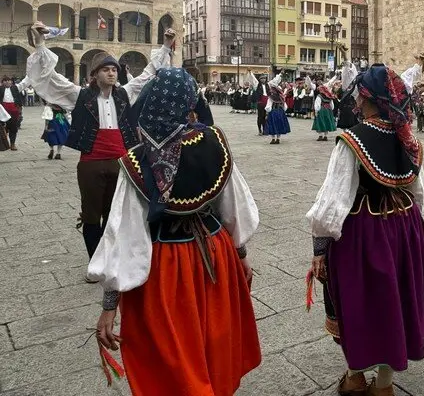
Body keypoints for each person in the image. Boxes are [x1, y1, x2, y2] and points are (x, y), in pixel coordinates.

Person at [89, 67, 261, 396]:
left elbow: (124, 235)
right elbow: (234, 209)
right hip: (215, 253)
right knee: (213, 337)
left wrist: (109, 304)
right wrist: (240, 255)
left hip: (166, 267)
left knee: (175, 351)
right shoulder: (214, 142)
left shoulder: (137, 160)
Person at [306, 55, 424, 396]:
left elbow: (333, 200)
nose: (355, 99)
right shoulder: (407, 138)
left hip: (365, 231)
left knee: (358, 300)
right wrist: (408, 228)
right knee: (394, 301)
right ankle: (384, 385)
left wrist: (320, 248)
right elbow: (418, 191)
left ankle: (355, 377)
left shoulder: (352, 140)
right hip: (404, 226)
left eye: (359, 94)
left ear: (368, 98)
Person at [25, 20, 176, 262]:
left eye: (114, 69)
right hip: (91, 163)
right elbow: (50, 78)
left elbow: (148, 74)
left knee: (114, 213)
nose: (112, 72)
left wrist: (167, 45)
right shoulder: (79, 95)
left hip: (120, 163)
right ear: (95, 75)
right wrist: (41, 44)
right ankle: (95, 259)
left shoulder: (125, 94)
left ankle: (111, 257)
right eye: (106, 69)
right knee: (91, 215)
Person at [0, 75, 32, 150]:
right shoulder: (0, 89)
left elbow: (25, 83)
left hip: (14, 110)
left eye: (9, 80)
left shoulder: (16, 88)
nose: (7, 82)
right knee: (3, 128)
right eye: (5, 80)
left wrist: (19, 110)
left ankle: (12, 144)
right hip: (3, 111)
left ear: (11, 81)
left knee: (13, 128)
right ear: (2, 82)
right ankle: (4, 144)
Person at [265, 69, 291, 144]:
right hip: (280, 111)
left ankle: (274, 139)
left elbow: (268, 105)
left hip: (273, 112)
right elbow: (285, 106)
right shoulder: (280, 96)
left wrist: (267, 111)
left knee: (272, 125)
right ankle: (278, 139)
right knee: (279, 125)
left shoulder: (272, 96)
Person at [310, 75, 338, 141]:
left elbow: (317, 104)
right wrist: (330, 110)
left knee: (320, 122)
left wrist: (316, 111)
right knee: (327, 122)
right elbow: (332, 105)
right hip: (328, 110)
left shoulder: (319, 96)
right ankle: (325, 136)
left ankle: (320, 135)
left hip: (321, 110)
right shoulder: (329, 96)